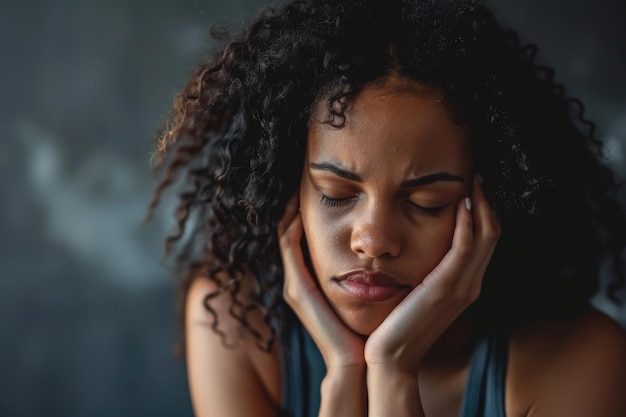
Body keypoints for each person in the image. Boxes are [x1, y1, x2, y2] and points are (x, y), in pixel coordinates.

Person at [148, 0, 626, 416]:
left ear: (492, 205)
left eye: (425, 202)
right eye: (336, 193)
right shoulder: (236, 326)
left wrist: (393, 373)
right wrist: (343, 377)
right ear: (289, 188)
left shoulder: (577, 360)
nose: (373, 240)